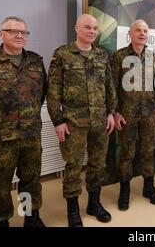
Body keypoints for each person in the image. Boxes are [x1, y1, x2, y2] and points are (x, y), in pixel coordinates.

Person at [0, 16, 47, 227]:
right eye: (13, 31)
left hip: (31, 136)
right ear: (1, 34)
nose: (19, 36)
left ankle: (30, 217)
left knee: (31, 181)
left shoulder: (36, 61)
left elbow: (41, 94)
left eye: (23, 32)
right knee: (0, 186)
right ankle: (2, 222)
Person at [47, 14, 116, 227]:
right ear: (77, 28)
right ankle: (73, 210)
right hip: (73, 122)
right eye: (87, 27)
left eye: (95, 28)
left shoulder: (102, 55)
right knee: (73, 166)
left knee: (97, 164)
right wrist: (58, 121)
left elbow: (109, 87)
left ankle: (94, 204)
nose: (92, 31)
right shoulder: (62, 55)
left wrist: (111, 113)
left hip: (100, 121)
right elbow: (53, 91)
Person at [110, 19, 155, 211]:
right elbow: (111, 88)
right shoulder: (118, 57)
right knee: (126, 154)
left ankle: (149, 187)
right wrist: (114, 112)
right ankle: (125, 191)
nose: (141, 34)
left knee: (148, 152)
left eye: (145, 31)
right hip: (126, 115)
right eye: (138, 30)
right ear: (130, 33)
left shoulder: (152, 56)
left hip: (148, 114)